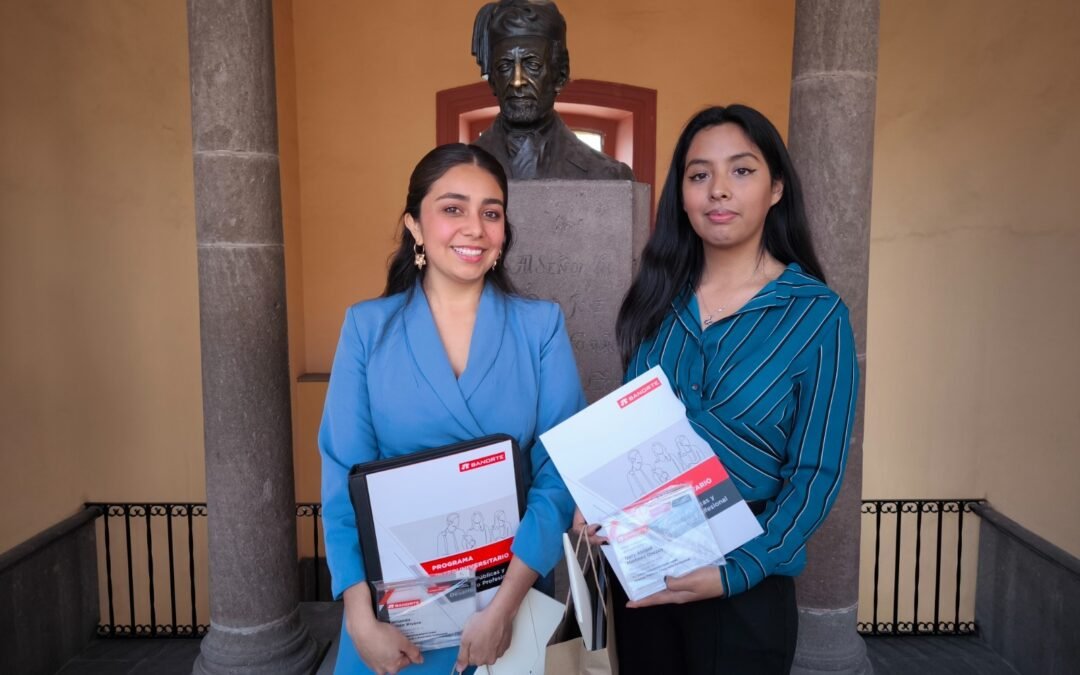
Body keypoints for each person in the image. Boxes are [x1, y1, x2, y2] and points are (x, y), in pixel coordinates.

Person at [576, 105, 859, 674]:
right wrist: (599, 505)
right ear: (681, 194)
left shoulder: (815, 315)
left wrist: (739, 570)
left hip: (747, 587)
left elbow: (816, 476)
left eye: (742, 171)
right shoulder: (656, 302)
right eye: (699, 175)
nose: (718, 191)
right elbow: (636, 443)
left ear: (777, 187)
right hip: (647, 571)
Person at [319, 143, 585, 675]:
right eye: (452, 208)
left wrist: (504, 609)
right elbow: (343, 480)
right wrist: (358, 617)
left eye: (491, 212)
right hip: (393, 619)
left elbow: (559, 475)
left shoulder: (540, 327)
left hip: (510, 606)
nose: (476, 228)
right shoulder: (367, 329)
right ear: (415, 225)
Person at [470, 0, 634, 181]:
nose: (517, 81)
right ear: (493, 81)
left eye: (532, 65)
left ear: (561, 75)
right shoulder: (455, 171)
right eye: (504, 66)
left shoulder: (608, 175)